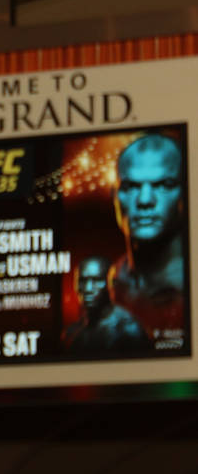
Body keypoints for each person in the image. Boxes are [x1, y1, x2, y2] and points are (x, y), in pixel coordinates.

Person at [109, 133, 186, 345]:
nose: (144, 200)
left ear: (186, 194)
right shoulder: (114, 276)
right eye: (131, 187)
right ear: (114, 196)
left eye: (163, 185)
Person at [61, 256, 147, 355]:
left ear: (111, 284)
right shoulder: (71, 333)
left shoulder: (129, 329)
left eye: (97, 281)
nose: (88, 289)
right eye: (82, 281)